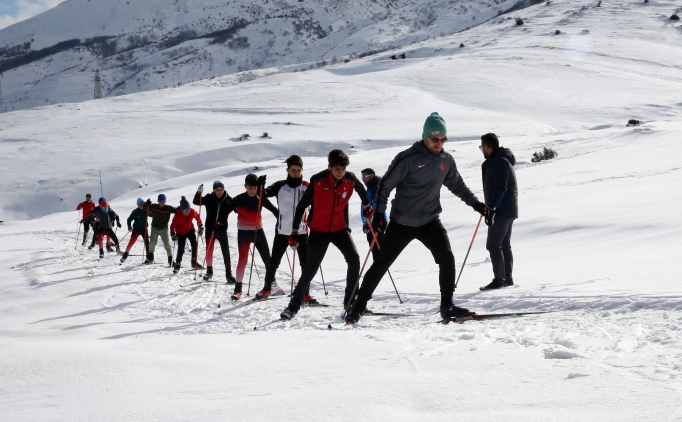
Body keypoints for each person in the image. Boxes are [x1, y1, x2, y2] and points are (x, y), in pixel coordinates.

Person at [346, 112, 488, 324]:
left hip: (430, 220)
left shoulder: (446, 161)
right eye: (435, 139)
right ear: (425, 137)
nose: (439, 143)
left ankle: (446, 306)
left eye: (443, 140)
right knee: (382, 263)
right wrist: (379, 216)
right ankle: (357, 306)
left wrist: (476, 204)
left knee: (446, 258)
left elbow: (457, 185)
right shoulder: (407, 158)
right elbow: (384, 186)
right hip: (402, 222)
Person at [280, 149, 372, 321]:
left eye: (343, 168)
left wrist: (367, 206)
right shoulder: (318, 181)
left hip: (339, 229)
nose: (341, 172)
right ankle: (293, 306)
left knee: (354, 258)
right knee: (310, 269)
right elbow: (301, 207)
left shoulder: (349, 179)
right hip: (319, 231)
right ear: (329, 167)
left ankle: (350, 302)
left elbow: (361, 190)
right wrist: (294, 231)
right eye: (337, 168)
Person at [256, 155, 311, 300]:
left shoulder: (307, 186)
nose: (296, 173)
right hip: (282, 231)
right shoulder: (280, 185)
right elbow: (261, 195)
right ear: (287, 170)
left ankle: (304, 292)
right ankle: (267, 288)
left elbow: (318, 203)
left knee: (305, 263)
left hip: (301, 231)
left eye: (298, 170)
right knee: (273, 262)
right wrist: (260, 186)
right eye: (293, 170)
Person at [478, 133, 518, 290]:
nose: (481, 150)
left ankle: (500, 279)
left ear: (487, 146)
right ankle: (507, 279)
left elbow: (501, 186)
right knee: (503, 244)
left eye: (482, 147)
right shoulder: (502, 160)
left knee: (493, 244)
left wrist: (492, 208)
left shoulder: (498, 162)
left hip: (502, 210)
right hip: (507, 209)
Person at [228, 174, 278, 300]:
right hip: (243, 233)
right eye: (249, 187)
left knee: (268, 259)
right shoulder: (238, 199)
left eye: (254, 187)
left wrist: (282, 220)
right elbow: (226, 211)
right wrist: (219, 222)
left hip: (258, 232)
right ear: (245, 186)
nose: (252, 190)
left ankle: (272, 283)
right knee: (242, 260)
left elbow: (274, 210)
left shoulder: (260, 198)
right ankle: (238, 289)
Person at [193, 181, 236, 283]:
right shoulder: (209, 198)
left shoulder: (229, 200)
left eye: (221, 189)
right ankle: (209, 271)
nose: (219, 192)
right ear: (213, 190)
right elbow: (196, 202)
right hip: (210, 228)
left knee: (226, 252)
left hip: (222, 229)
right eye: (217, 190)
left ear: (224, 189)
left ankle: (228, 274)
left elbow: (237, 209)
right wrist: (198, 193)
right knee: (209, 251)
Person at [170, 196, 204, 273]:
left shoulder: (192, 211)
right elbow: (172, 226)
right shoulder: (177, 216)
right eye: (185, 210)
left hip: (190, 230)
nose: (187, 211)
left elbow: (197, 217)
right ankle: (177, 264)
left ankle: (194, 262)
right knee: (181, 248)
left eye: (188, 209)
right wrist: (172, 233)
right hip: (180, 232)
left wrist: (200, 225)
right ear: (181, 210)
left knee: (194, 244)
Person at [360, 168, 388, 257]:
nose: (363, 179)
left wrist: (370, 223)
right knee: (377, 250)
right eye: (362, 177)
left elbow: (377, 206)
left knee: (377, 250)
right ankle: (378, 269)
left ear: (372, 176)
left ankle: (379, 270)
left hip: (375, 223)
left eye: (365, 176)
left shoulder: (374, 188)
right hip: (373, 222)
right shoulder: (372, 186)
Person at [143, 194, 176, 266]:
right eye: (160, 201)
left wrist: (183, 205)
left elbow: (177, 210)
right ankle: (150, 258)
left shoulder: (168, 208)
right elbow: (144, 208)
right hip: (154, 228)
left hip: (164, 229)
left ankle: (170, 260)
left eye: (163, 201)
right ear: (158, 201)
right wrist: (146, 204)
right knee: (152, 243)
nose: (161, 203)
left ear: (165, 201)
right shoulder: (154, 206)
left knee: (167, 244)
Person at [121, 198, 149, 264]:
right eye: (140, 204)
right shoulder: (135, 212)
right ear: (137, 205)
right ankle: (125, 256)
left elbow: (152, 214)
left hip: (144, 229)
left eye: (143, 203)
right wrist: (129, 227)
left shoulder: (146, 210)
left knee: (147, 243)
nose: (141, 205)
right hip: (136, 229)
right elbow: (129, 219)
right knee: (131, 242)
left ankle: (149, 257)